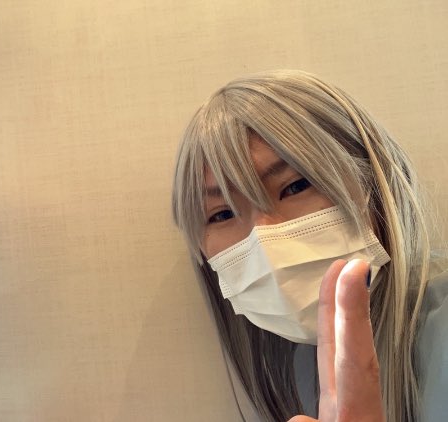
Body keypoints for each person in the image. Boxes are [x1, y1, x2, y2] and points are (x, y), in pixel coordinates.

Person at [171, 70, 447, 421]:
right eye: (222, 214)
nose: (265, 239)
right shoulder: (301, 365)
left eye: (296, 186)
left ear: (373, 180)